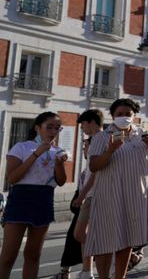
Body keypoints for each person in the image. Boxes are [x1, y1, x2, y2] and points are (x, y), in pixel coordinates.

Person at [85, 98, 148, 279]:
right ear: (112, 116)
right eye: (119, 114)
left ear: (134, 115)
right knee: (105, 241)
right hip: (108, 196)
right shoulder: (102, 137)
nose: (124, 117)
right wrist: (110, 150)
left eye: (128, 114)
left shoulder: (144, 135)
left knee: (127, 240)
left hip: (135, 196)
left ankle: (120, 276)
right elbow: (94, 166)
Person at [0, 112, 67, 279]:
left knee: (33, 255)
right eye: (49, 127)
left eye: (57, 128)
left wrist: (60, 164)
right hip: (21, 199)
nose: (53, 131)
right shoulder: (21, 147)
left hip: (44, 199)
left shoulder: (58, 151)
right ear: (38, 128)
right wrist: (36, 154)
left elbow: (61, 181)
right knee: (8, 255)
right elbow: (13, 177)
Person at [54, 109, 104, 279]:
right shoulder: (96, 140)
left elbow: (96, 172)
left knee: (80, 233)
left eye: (83, 124)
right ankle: (87, 270)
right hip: (90, 193)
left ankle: (92, 268)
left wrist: (82, 195)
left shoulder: (99, 140)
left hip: (95, 193)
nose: (82, 128)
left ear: (91, 122)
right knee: (80, 234)